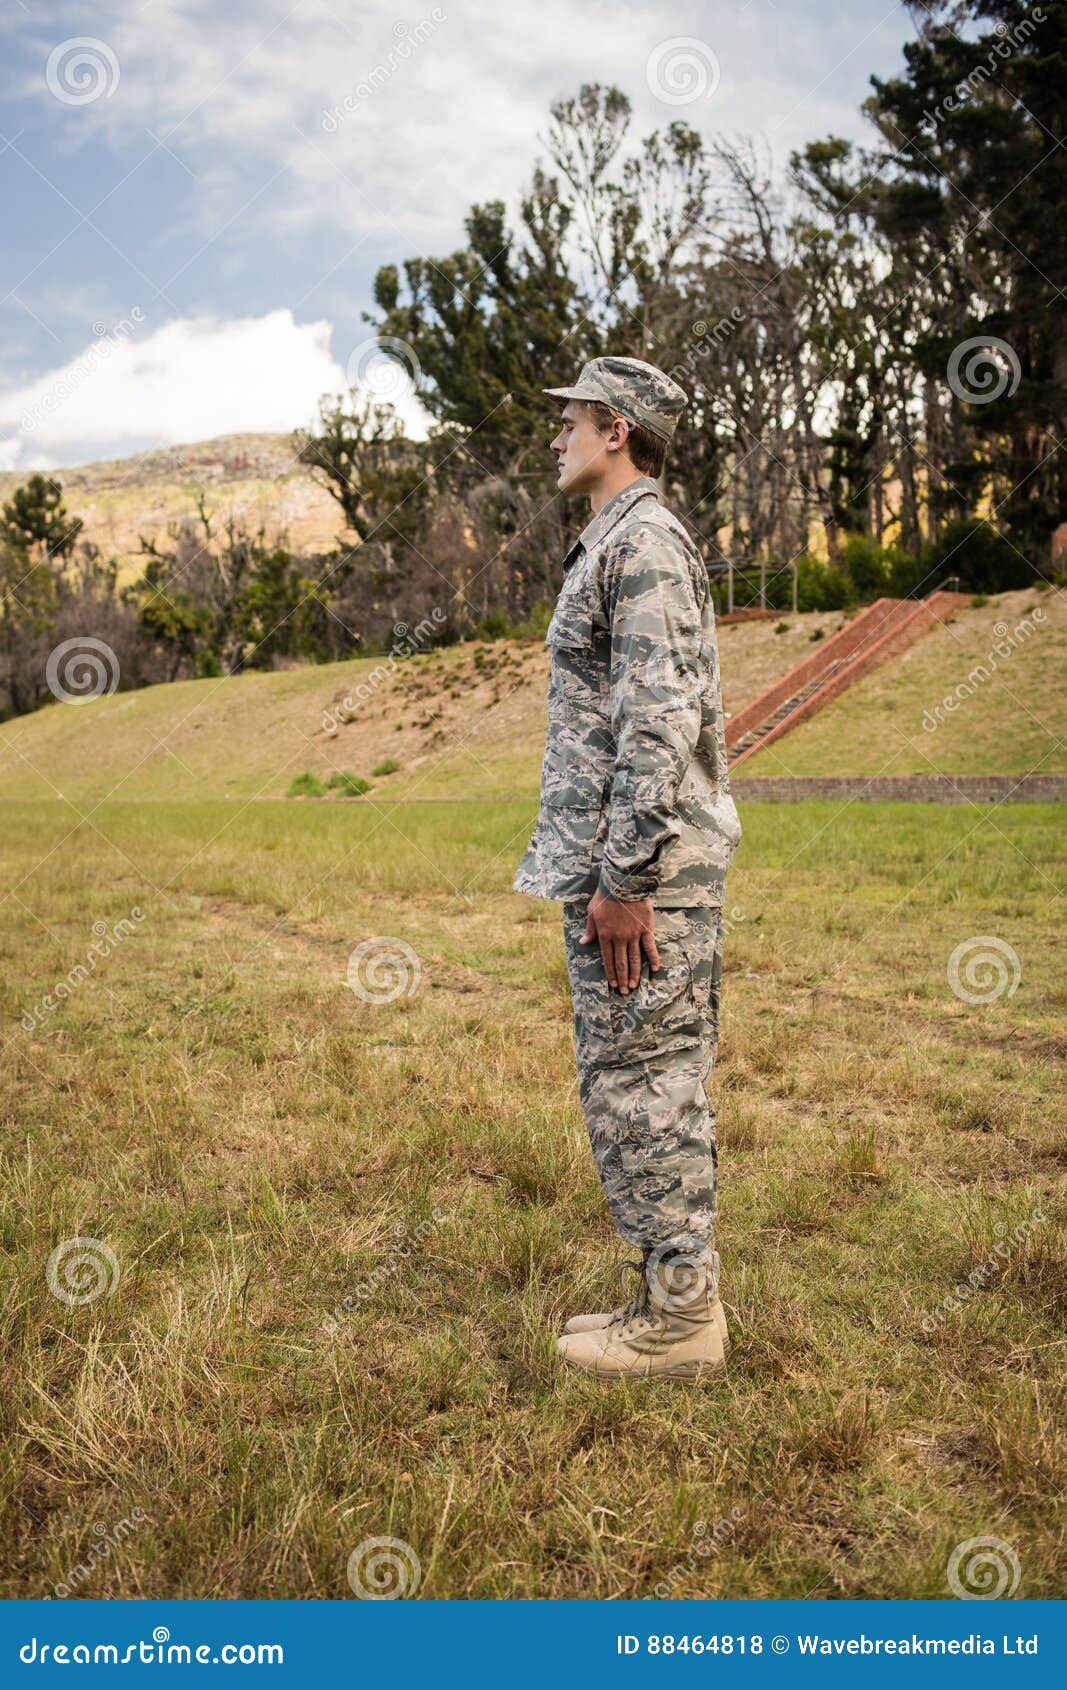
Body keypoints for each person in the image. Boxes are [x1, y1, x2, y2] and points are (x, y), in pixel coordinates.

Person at [513, 355, 742, 1381]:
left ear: (614, 429)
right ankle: (664, 1295)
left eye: (567, 421)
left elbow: (658, 724)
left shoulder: (642, 541)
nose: (553, 437)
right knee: (634, 1084)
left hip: (640, 875)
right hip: (618, 862)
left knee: (646, 1086)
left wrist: (625, 880)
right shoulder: (614, 540)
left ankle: (683, 1323)